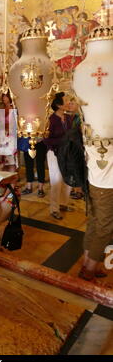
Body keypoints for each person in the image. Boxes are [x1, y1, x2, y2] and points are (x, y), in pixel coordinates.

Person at [78, 144, 113, 282]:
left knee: (93, 224)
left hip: (93, 181)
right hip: (107, 185)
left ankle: (87, 264)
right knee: (104, 229)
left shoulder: (91, 124)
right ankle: (90, 270)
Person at [43, 92, 73, 220]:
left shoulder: (69, 118)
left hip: (68, 153)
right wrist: (62, 142)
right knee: (56, 181)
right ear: (59, 105)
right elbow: (46, 140)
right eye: (66, 101)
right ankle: (54, 209)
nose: (69, 103)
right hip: (54, 153)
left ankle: (63, 204)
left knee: (68, 180)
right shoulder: (51, 120)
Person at [0, 92, 18, 173]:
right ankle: (4, 180)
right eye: (3, 97)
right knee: (3, 160)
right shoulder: (1, 109)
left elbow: (16, 123)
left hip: (11, 136)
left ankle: (13, 181)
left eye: (6, 97)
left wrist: (8, 127)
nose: (4, 98)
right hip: (2, 135)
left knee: (11, 159)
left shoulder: (14, 109)